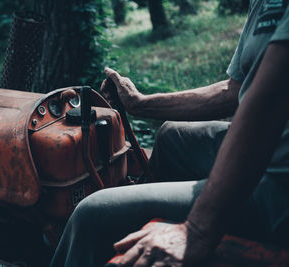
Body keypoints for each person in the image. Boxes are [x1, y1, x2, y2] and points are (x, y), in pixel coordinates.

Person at [50, 0, 289, 266]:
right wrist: (140, 103)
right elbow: (237, 88)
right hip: (273, 148)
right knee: (171, 136)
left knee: (93, 212)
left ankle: (143, 230)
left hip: (279, 183)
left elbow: (271, 99)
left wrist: (196, 230)